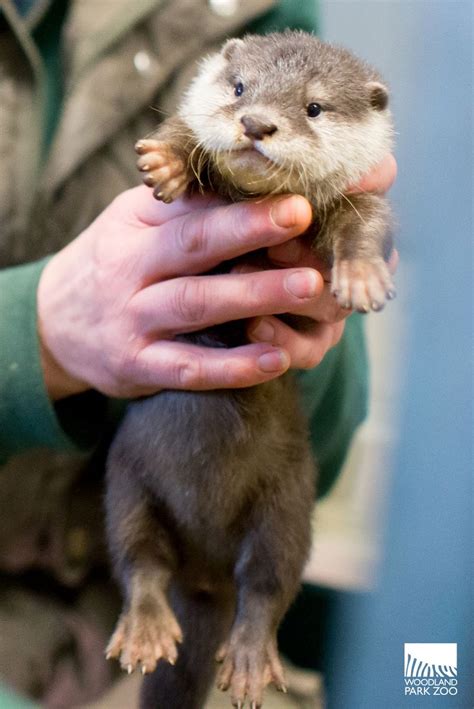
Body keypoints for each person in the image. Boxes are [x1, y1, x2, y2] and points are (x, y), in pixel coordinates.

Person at [0, 0, 396, 706]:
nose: (256, 121)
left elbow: (326, 452)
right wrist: (33, 335)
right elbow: (195, 131)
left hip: (146, 598)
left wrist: (322, 311)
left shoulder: (264, 8)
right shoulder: (196, 138)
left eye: (308, 111)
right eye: (241, 96)